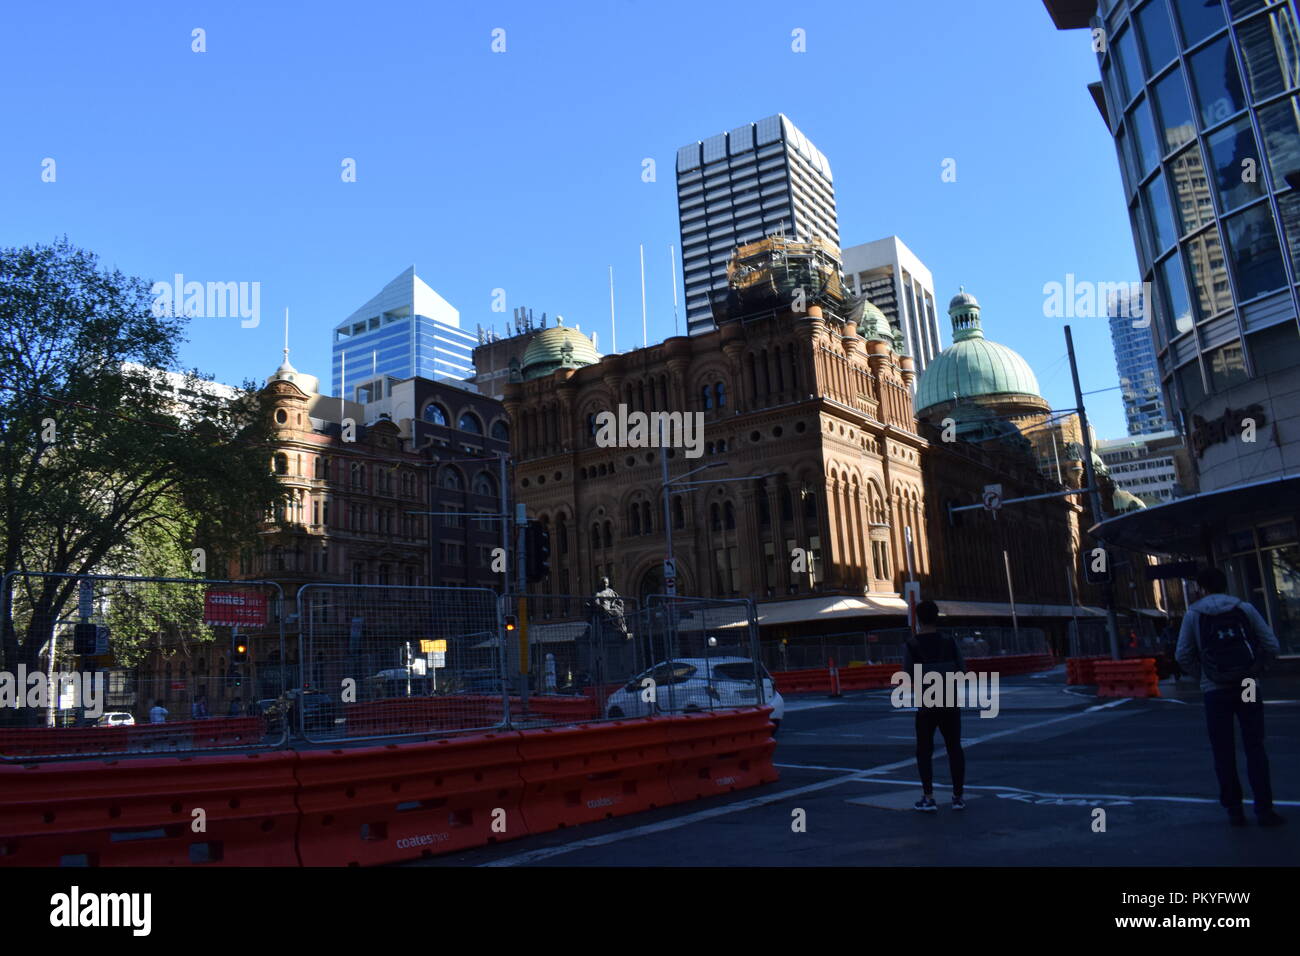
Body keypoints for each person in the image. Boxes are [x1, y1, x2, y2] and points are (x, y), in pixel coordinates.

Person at [1176, 567, 1284, 827]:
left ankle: (1234, 809)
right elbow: (1272, 646)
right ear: (1226, 585)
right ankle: (1264, 809)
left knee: (1223, 750)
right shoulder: (1244, 608)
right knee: (1255, 746)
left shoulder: (1193, 614)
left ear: (1201, 588)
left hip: (1215, 687)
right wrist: (1258, 670)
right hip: (1247, 682)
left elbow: (1182, 655)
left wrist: (1203, 675)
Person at [904, 600, 966, 812]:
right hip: (949, 700)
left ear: (919, 619)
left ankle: (929, 797)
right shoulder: (949, 642)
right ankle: (958, 797)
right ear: (937, 617)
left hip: (927, 703)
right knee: (954, 748)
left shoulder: (912, 645)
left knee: (924, 751)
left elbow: (908, 674)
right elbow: (962, 669)